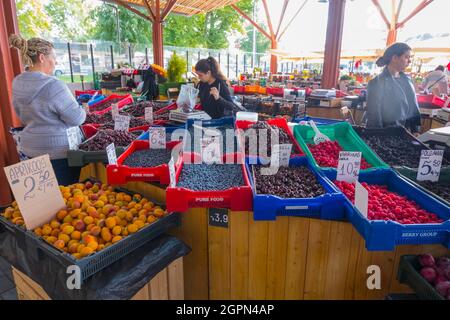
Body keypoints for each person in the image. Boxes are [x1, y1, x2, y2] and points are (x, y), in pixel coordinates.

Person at [9, 34, 86, 185]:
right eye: (54, 57)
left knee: (45, 199)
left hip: (31, 149)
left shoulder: (17, 82)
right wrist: (82, 109)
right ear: (42, 57)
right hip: (58, 153)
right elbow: (77, 118)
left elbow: (20, 113)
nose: (56, 61)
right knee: (65, 197)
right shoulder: (54, 85)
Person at [365, 43, 421, 135]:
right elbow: (374, 117)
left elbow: (413, 107)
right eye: (406, 57)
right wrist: (379, 138)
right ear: (394, 58)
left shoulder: (407, 80)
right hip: (386, 136)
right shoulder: (377, 83)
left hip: (405, 134)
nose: (409, 61)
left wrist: (415, 130)